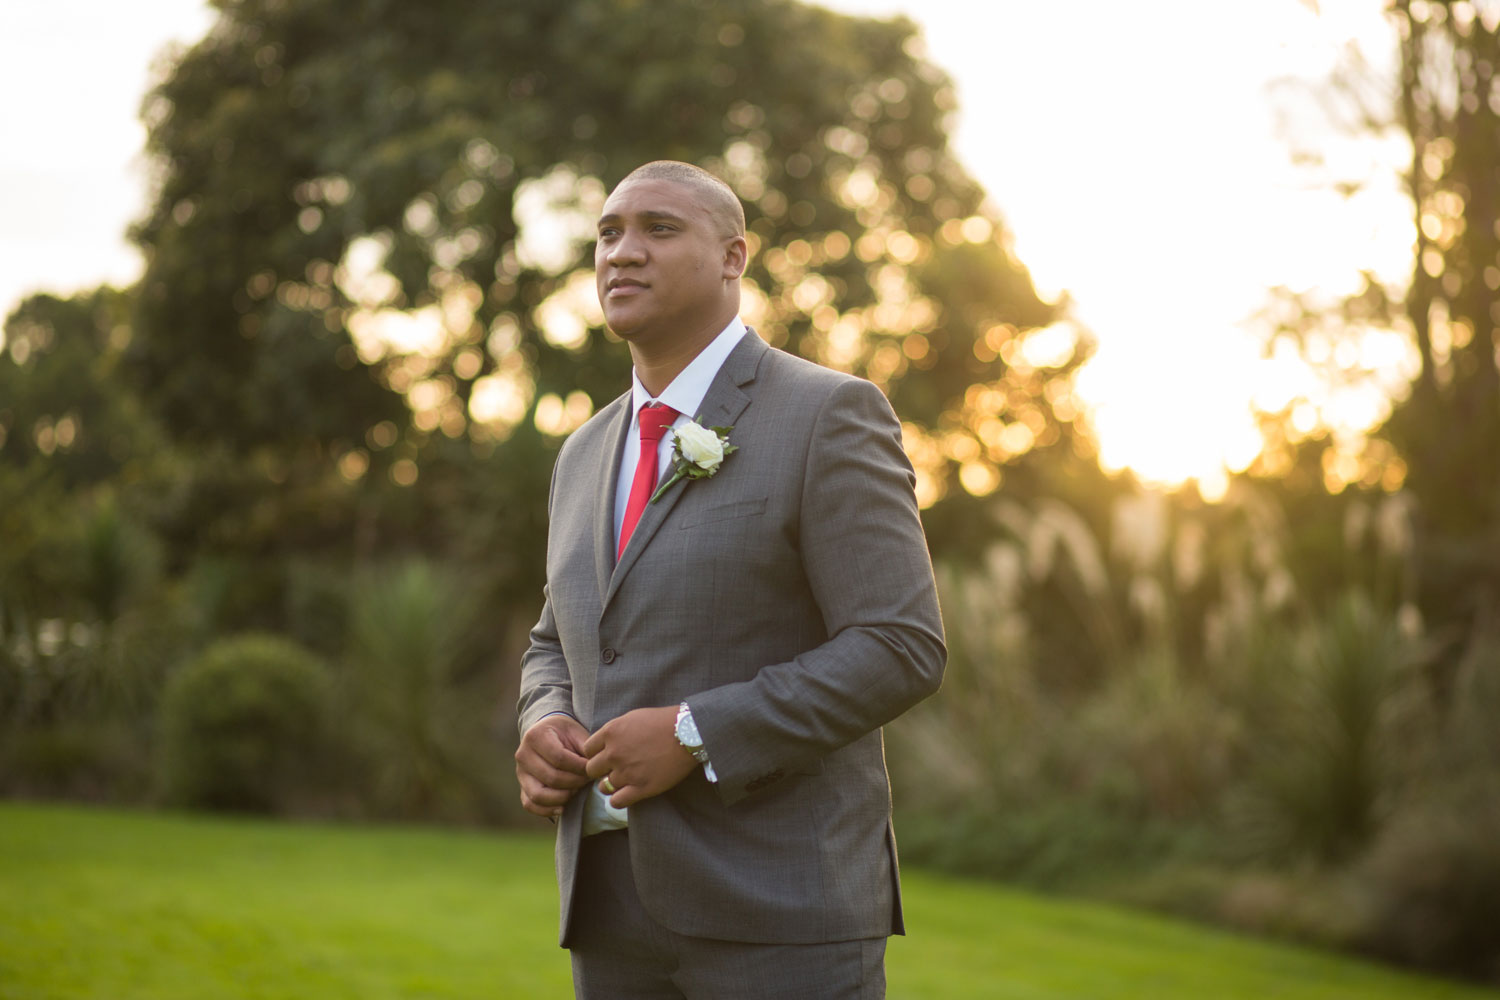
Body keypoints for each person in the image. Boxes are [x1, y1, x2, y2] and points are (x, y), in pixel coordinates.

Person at [514, 159, 946, 999]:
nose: (621, 253)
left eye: (658, 229)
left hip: (782, 911)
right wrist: (544, 717)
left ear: (733, 257)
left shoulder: (829, 414)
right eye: (608, 234)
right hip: (608, 909)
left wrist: (690, 732)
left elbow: (900, 647)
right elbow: (551, 641)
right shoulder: (583, 453)